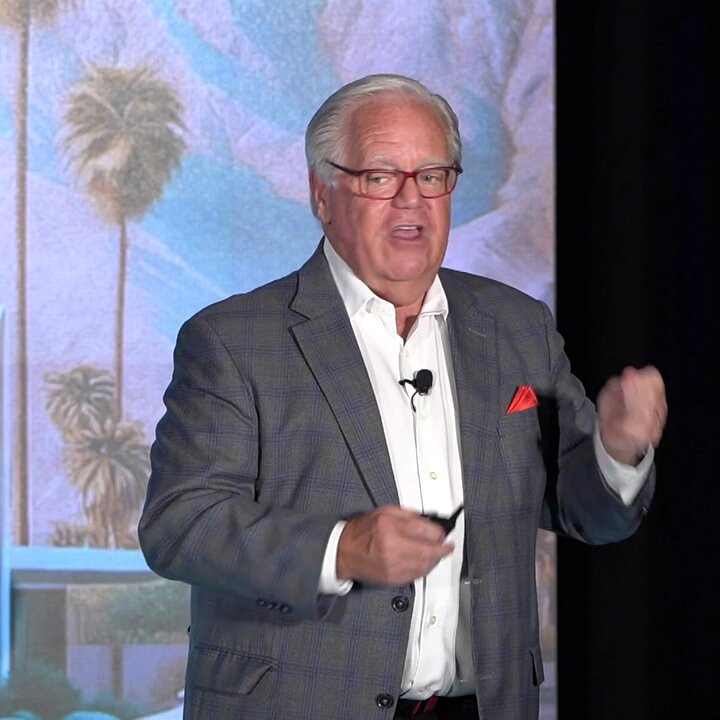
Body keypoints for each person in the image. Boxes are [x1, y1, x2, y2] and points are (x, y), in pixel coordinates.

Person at [138, 74, 667, 720]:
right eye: (380, 177)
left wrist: (618, 451)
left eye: (432, 176)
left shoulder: (517, 326)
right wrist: (341, 549)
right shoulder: (234, 339)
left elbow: (589, 512)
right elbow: (180, 524)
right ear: (323, 193)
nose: (411, 200)